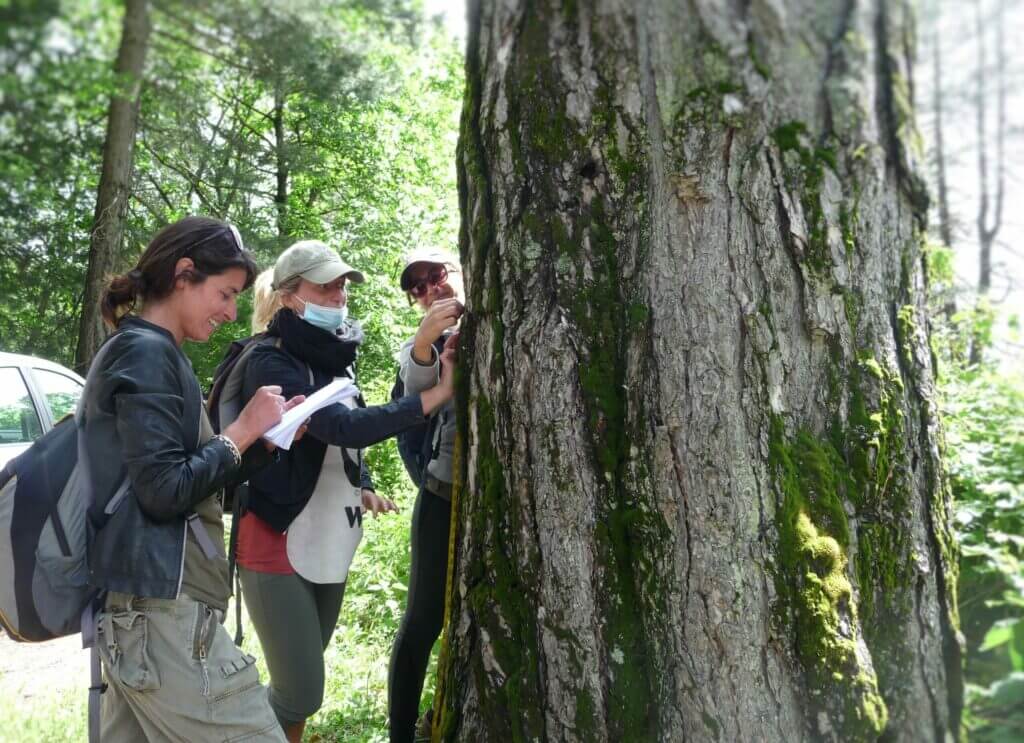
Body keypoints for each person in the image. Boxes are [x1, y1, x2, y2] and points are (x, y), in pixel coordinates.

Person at [83, 216, 303, 742]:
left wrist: (258, 444)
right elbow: (162, 492)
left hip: (147, 612)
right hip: (162, 613)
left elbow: (181, 483)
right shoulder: (145, 353)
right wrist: (241, 431)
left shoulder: (155, 353)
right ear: (184, 273)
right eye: (225, 294)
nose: (231, 312)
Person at [235, 240, 458, 743]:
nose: (338, 295)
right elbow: (342, 426)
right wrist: (437, 394)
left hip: (328, 540)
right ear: (290, 296)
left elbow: (341, 449)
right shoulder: (271, 362)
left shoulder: (335, 354)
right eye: (325, 286)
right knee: (300, 691)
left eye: (341, 285)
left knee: (298, 688)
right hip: (277, 539)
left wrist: (363, 483)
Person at [388, 248, 464, 743]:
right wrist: (424, 343)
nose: (429, 288)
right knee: (422, 622)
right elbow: (409, 403)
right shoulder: (425, 344)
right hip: (442, 495)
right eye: (417, 287)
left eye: (435, 275)